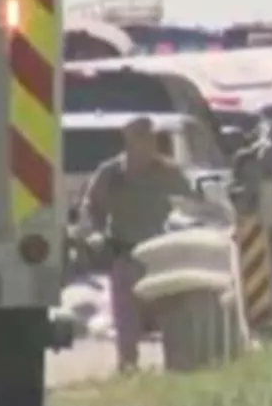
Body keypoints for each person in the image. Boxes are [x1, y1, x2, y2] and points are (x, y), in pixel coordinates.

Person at [78, 115, 199, 372]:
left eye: (151, 137)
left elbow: (191, 201)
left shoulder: (167, 171)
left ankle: (177, 367)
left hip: (160, 253)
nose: (148, 143)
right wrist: (96, 233)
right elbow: (91, 205)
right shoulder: (112, 173)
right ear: (129, 141)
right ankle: (128, 366)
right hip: (126, 250)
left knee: (170, 312)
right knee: (127, 317)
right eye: (141, 137)